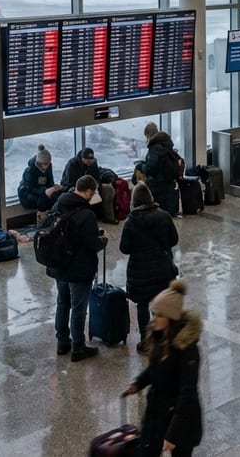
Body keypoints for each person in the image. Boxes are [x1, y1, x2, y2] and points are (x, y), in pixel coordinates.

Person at [121, 281, 203, 457]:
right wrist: (139, 382)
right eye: (154, 313)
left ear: (170, 318)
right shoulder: (159, 337)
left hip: (179, 419)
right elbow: (156, 369)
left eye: (158, 315)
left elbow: (187, 394)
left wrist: (173, 435)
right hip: (158, 411)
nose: (153, 319)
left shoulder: (187, 349)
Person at [47, 175, 107, 362]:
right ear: (88, 192)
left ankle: (62, 342)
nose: (94, 195)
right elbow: (91, 244)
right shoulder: (86, 214)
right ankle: (78, 347)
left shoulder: (59, 204)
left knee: (62, 303)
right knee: (78, 308)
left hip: (59, 265)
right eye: (93, 192)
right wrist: (102, 241)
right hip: (79, 269)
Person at [120, 183, 179, 354]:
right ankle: (161, 338)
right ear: (150, 198)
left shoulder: (131, 221)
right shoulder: (164, 216)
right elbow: (173, 240)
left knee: (142, 306)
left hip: (139, 272)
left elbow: (124, 248)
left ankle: (145, 341)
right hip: (162, 269)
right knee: (162, 306)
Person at [145, 126, 182, 217]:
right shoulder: (166, 143)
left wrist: (141, 166)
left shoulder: (154, 148)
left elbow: (150, 170)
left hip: (159, 183)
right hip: (169, 182)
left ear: (149, 135)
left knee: (143, 184)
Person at [18, 144, 63, 215]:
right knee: (43, 200)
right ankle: (43, 218)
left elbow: (50, 181)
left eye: (49, 163)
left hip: (42, 191)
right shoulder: (29, 171)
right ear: (39, 163)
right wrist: (45, 191)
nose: (48, 166)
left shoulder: (48, 167)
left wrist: (53, 188)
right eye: (45, 164)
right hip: (27, 194)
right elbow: (31, 188)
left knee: (57, 196)